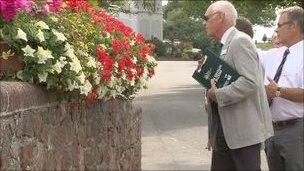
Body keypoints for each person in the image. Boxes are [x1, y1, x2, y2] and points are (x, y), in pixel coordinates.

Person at [203, 1, 273, 170]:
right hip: (226, 132)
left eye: (206, 18)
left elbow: (250, 82)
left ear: (220, 17)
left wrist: (217, 95)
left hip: (243, 134)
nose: (204, 22)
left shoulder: (240, 41)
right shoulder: (226, 44)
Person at [264, 6, 304, 171]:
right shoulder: (277, 54)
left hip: (296, 131)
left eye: (279, 25)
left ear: (293, 26)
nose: (276, 29)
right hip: (271, 131)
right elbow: (249, 52)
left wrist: (279, 91)